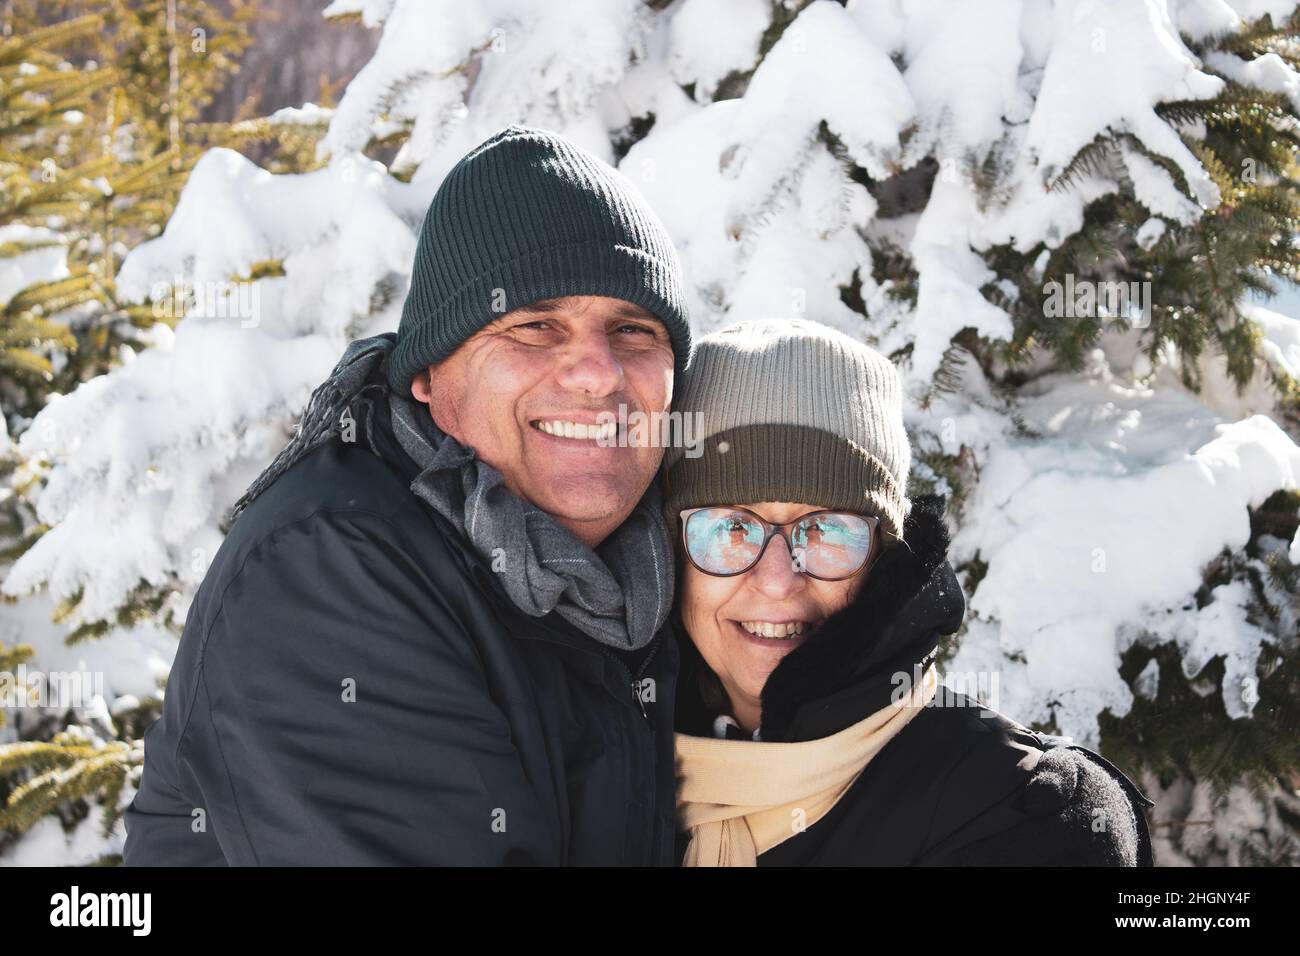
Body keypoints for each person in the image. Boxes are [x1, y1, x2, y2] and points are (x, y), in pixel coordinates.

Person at [123, 125, 693, 865]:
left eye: (634, 330)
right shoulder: (328, 573)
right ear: (426, 378)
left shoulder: (661, 568)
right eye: (533, 327)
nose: (598, 372)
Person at [661, 318, 1155, 866]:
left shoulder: (1026, 812)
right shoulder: (603, 777)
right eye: (730, 528)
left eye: (825, 530)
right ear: (673, 552)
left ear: (883, 558)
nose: (777, 580)